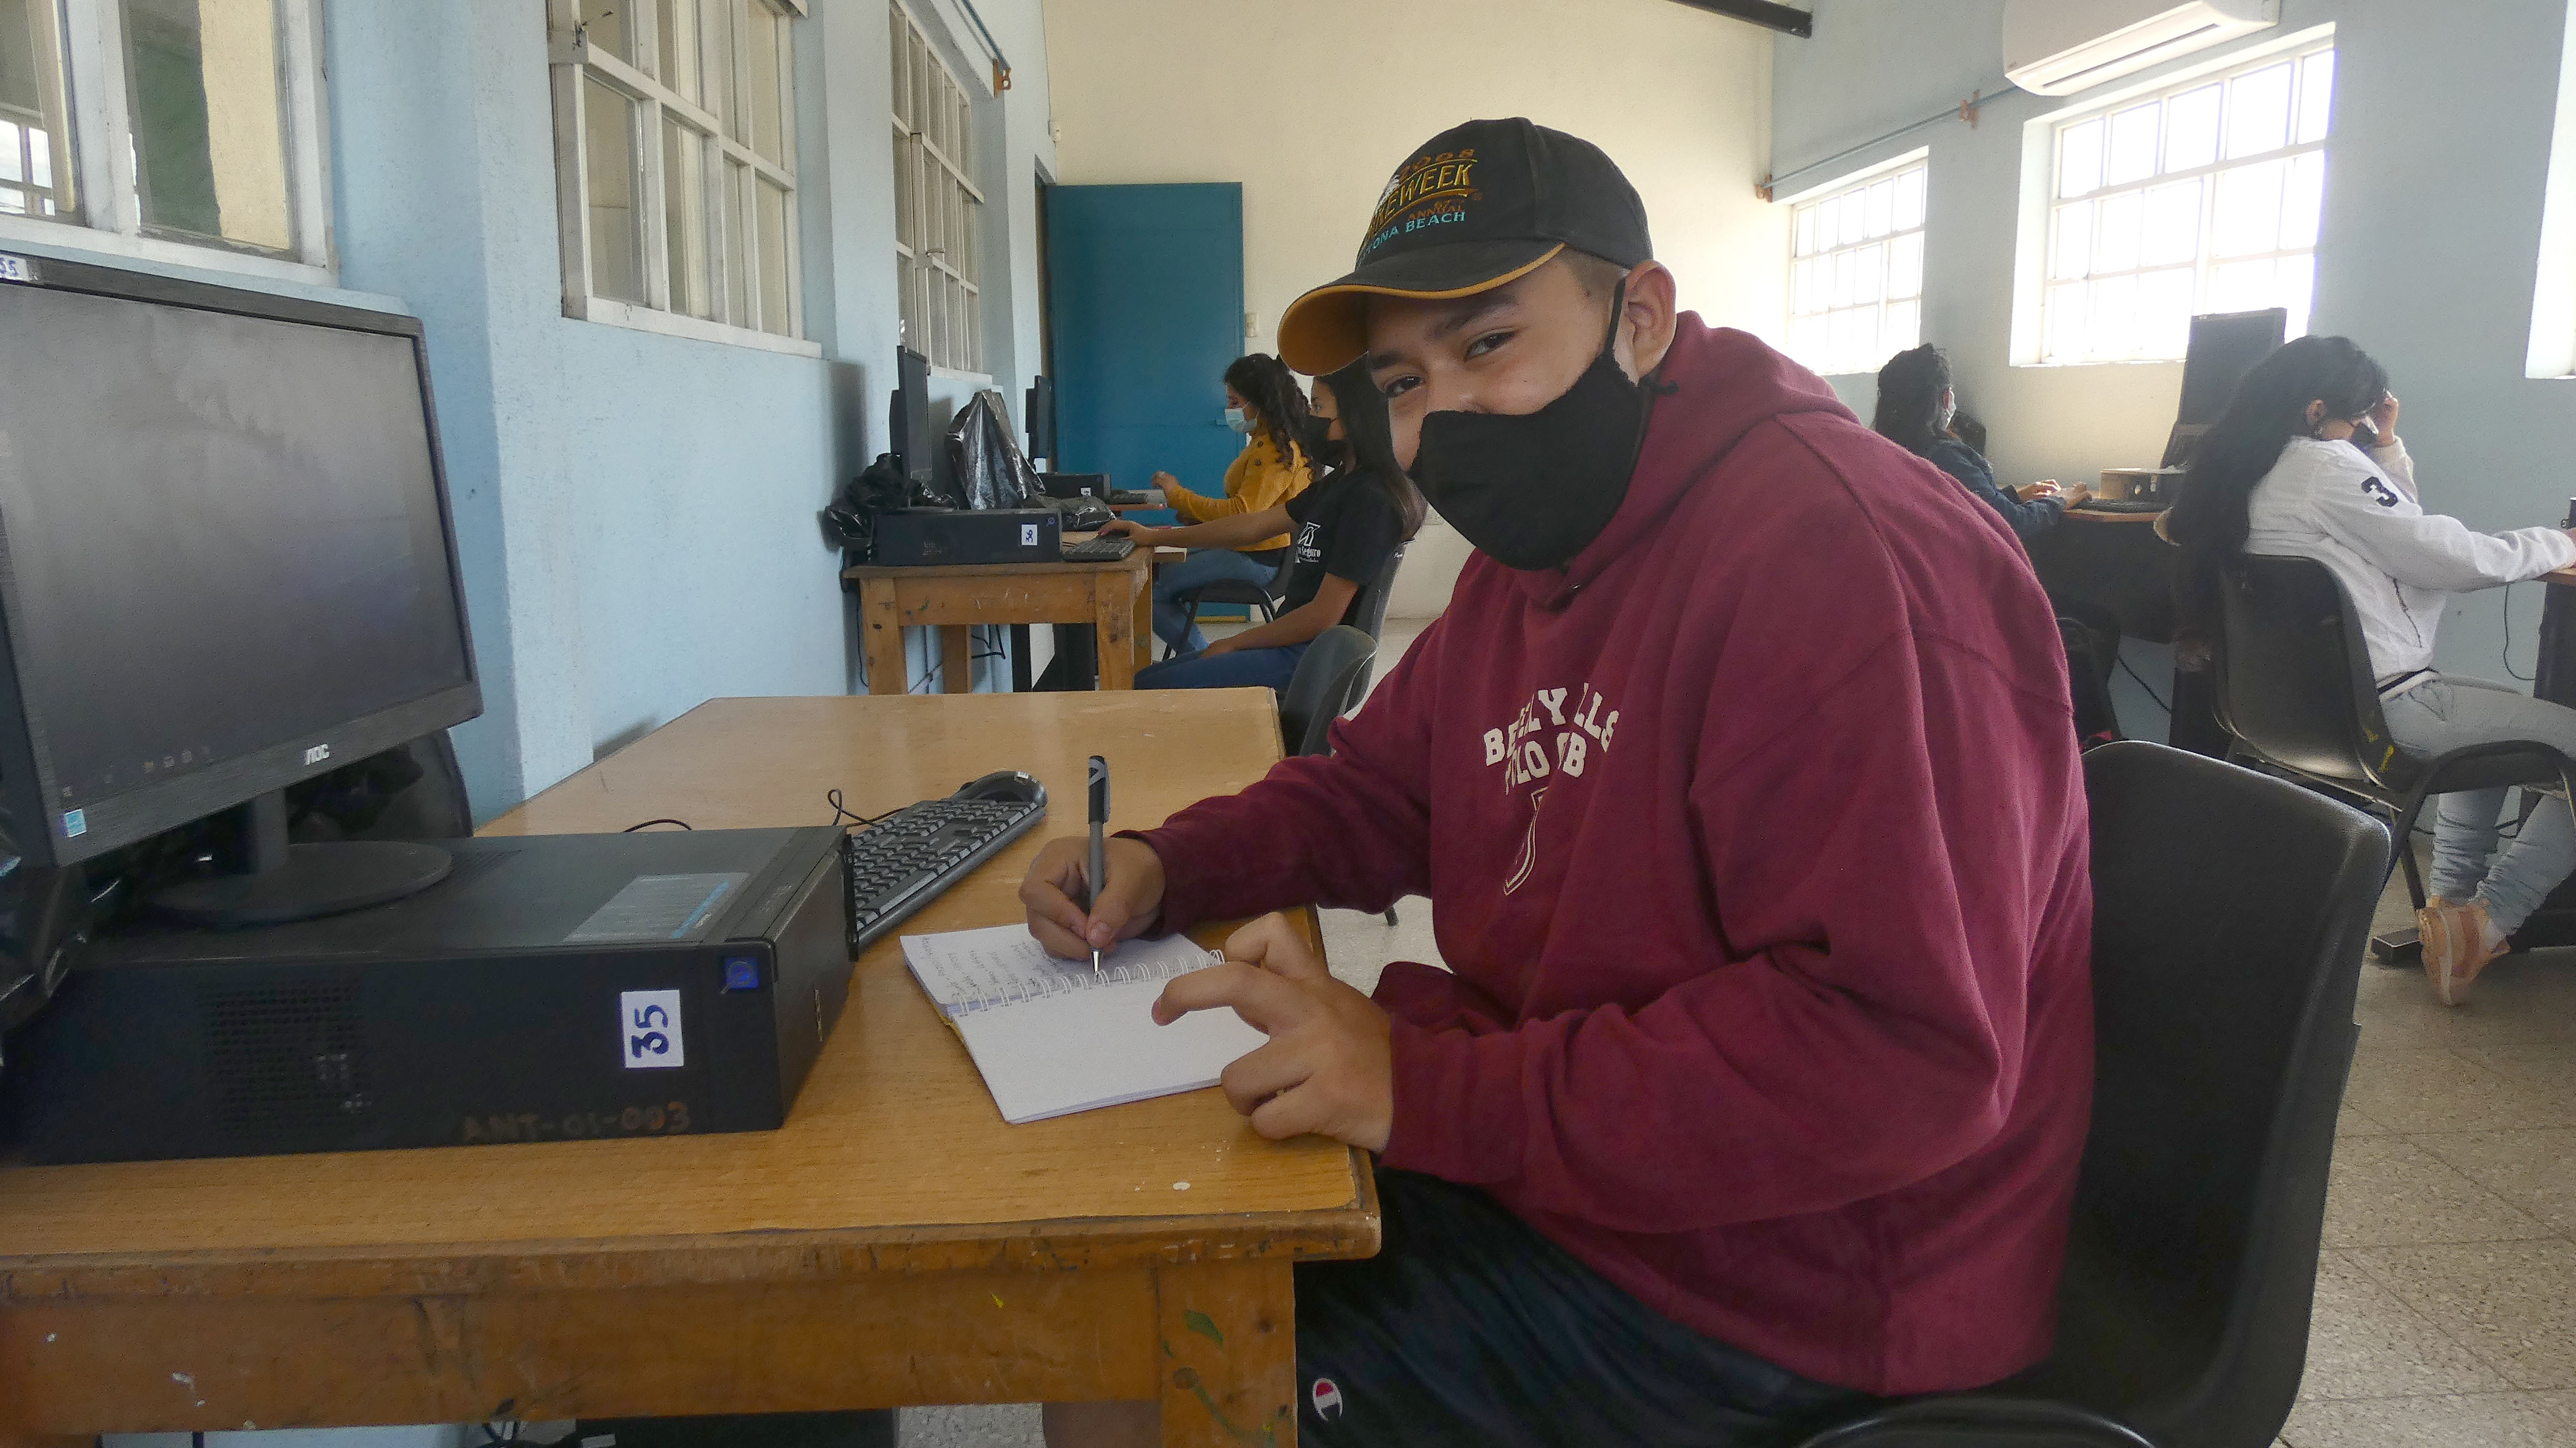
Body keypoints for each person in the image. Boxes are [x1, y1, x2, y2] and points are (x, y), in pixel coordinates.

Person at [1022, 118, 2094, 1448]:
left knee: (1153, 1365)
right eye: (1403, 381)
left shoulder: (1838, 556)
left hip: (1792, 1282)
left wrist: (1428, 1093)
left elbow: (1897, 1060)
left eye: (1487, 344)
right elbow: (1383, 789)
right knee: (1134, 1260)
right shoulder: (1544, 549)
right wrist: (1169, 861)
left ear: (1638, 316)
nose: (1443, 417)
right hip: (1588, 1169)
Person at [2166, 335, 2576, 1005]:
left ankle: (2448, 915)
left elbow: (2398, 531)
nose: (2357, 430)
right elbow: (2446, 558)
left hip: (2294, 718)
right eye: (2355, 418)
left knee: (2495, 727)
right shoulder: (2321, 466)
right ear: (2316, 408)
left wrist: (2386, 447)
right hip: (2390, 710)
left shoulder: (2247, 469)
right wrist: (2559, 542)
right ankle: (2491, 919)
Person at [1109, 361, 1424, 692]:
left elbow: (1323, 616)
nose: (1309, 417)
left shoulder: (1370, 500)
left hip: (1308, 660)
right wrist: (1152, 536)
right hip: (1294, 647)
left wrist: (1236, 642)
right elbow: (1252, 526)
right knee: (1145, 681)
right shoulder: (1339, 485)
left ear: (1354, 415)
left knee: (1145, 690)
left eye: (1318, 407)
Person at [1144, 353, 1316, 656]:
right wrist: (1201, 521)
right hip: (1249, 550)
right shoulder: (1267, 441)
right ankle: (1200, 660)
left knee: (1149, 588)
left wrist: (1177, 495)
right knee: (1157, 572)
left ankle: (1203, 664)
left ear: (1259, 401)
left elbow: (1243, 513)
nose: (1229, 410)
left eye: (1235, 402)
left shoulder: (1274, 449)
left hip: (1258, 560)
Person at [1873, 343, 2091, 542]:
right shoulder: (1945, 457)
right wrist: (2061, 499)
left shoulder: (1882, 453)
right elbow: (2012, 524)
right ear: (1946, 398)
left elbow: (1959, 507)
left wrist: (2012, 497)